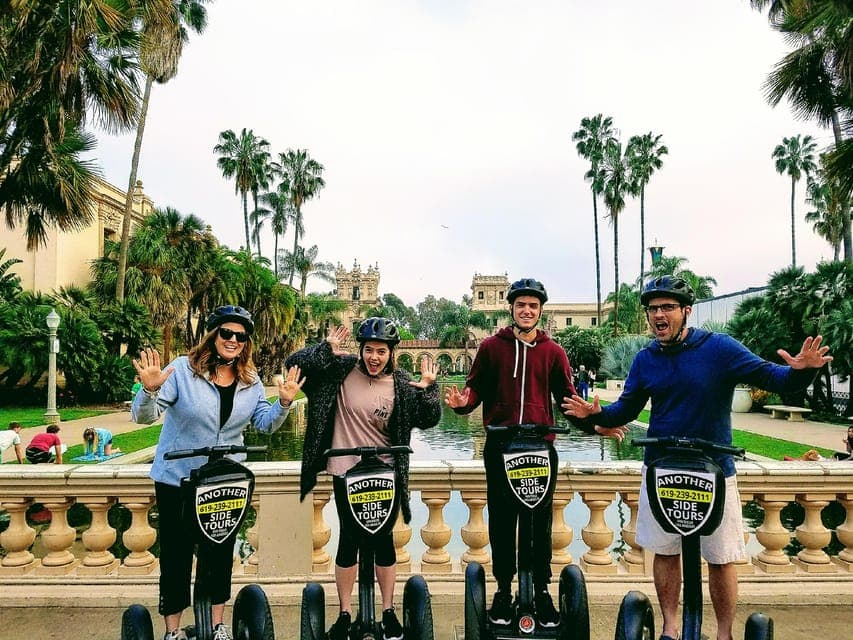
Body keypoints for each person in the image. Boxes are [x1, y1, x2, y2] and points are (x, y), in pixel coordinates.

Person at [563, 275, 833, 640]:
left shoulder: (719, 349)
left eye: (668, 308)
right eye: (653, 309)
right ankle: (671, 627)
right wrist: (594, 416)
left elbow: (776, 378)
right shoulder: (646, 359)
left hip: (715, 471)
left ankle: (723, 633)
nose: (659, 315)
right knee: (664, 551)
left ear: (685, 311)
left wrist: (805, 370)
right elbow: (625, 410)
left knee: (721, 558)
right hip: (661, 469)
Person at [444, 277, 626, 629]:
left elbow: (569, 401)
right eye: (521, 304)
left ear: (541, 310)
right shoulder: (491, 348)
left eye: (533, 305)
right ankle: (502, 590)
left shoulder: (553, 352)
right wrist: (462, 404)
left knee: (540, 525)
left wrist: (597, 424)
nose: (526, 310)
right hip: (500, 446)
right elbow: (473, 390)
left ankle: (541, 591)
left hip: (540, 449)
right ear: (511, 308)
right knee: (500, 521)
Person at [132, 305, 305, 640]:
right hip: (178, 478)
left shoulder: (250, 380)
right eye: (227, 333)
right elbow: (145, 418)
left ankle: (217, 625)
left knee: (219, 552)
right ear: (212, 336)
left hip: (224, 480)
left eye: (241, 336)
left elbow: (264, 425)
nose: (234, 340)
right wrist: (149, 390)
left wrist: (283, 404)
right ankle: (173, 630)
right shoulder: (182, 370)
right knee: (177, 553)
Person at [285, 318, 441, 640]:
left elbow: (429, 418)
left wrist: (429, 388)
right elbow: (294, 366)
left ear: (390, 353)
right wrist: (325, 350)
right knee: (349, 540)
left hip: (385, 472)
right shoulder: (339, 370)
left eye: (381, 351)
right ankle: (344, 612)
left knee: (385, 541)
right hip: (345, 469)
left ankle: (387, 611)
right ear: (361, 349)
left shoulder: (400, 382)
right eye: (369, 350)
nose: (374, 357)